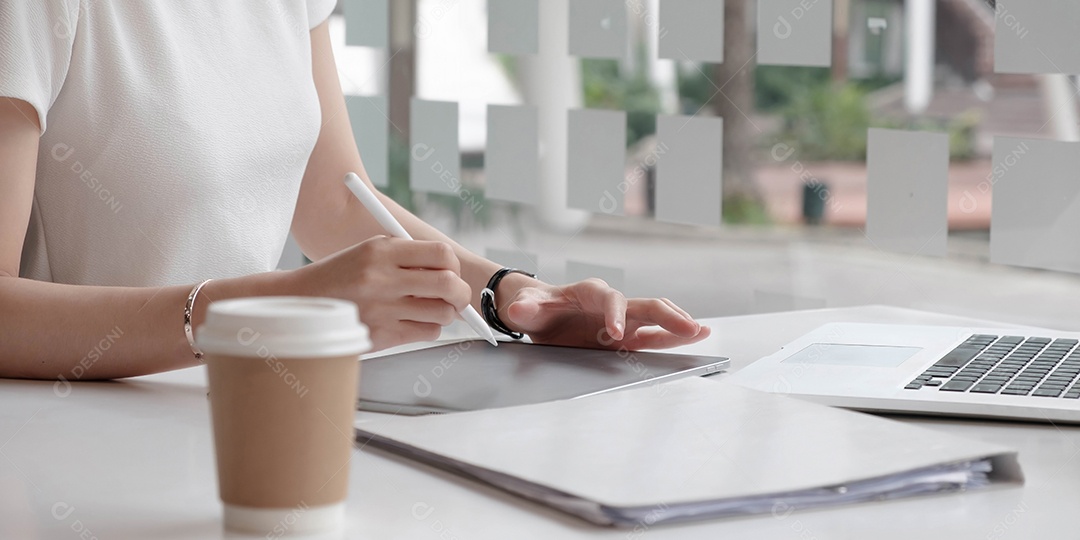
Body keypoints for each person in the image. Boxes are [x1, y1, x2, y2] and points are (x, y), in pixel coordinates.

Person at [0, 2, 709, 381]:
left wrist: (513, 298)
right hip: (77, 438)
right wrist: (270, 312)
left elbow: (337, 202)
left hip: (242, 405)